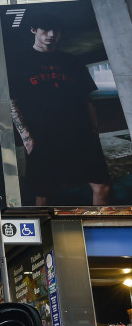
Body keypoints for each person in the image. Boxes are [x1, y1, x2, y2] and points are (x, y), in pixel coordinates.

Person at [9, 12, 111, 205]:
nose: (51, 34)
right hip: (43, 136)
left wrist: (94, 130)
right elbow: (12, 101)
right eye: (46, 29)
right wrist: (27, 138)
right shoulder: (19, 63)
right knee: (44, 193)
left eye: (56, 30)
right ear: (33, 30)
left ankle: (98, 222)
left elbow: (87, 99)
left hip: (81, 133)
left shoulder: (72, 61)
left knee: (102, 187)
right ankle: (46, 226)